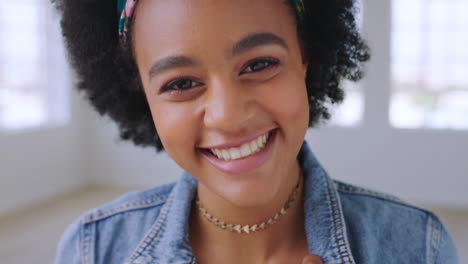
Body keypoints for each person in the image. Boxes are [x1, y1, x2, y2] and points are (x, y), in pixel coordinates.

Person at [53, 0, 459, 263]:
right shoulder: (93, 249)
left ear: (305, 58)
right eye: (180, 84)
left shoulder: (418, 246)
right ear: (143, 96)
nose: (229, 116)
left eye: (259, 64)